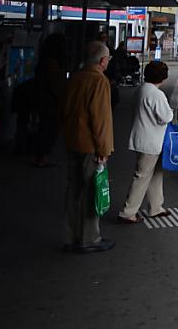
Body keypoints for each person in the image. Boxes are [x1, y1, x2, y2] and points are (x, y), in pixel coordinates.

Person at [61, 41, 115, 253]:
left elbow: (64, 110)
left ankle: (71, 236)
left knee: (73, 191)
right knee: (91, 192)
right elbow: (100, 120)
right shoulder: (99, 81)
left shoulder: (75, 78)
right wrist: (104, 150)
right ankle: (90, 238)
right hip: (90, 146)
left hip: (72, 142)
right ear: (102, 60)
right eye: (108, 59)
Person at [118, 61, 175, 224]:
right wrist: (171, 112)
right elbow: (165, 117)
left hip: (142, 138)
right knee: (142, 177)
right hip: (150, 142)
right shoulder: (156, 94)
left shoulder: (141, 90)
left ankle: (156, 206)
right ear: (163, 77)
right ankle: (128, 212)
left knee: (155, 173)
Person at [34, 33, 68, 167]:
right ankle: (43, 156)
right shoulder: (53, 64)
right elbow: (57, 85)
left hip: (44, 100)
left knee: (44, 127)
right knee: (49, 128)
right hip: (51, 103)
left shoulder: (43, 61)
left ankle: (41, 156)